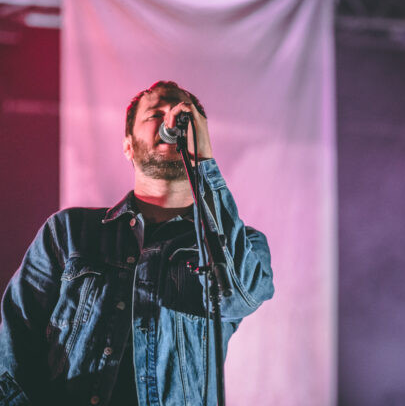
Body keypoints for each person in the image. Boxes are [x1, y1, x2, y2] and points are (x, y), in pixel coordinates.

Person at [0, 80, 274, 406]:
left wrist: (205, 164)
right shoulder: (69, 231)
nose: (171, 121)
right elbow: (15, 345)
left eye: (184, 116)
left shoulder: (240, 243)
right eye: (155, 114)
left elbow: (240, 294)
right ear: (128, 145)